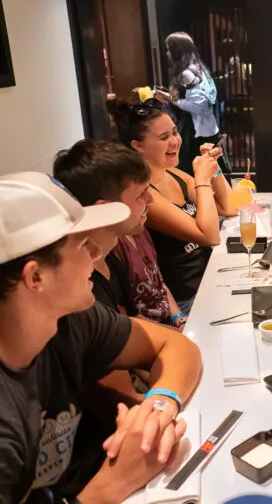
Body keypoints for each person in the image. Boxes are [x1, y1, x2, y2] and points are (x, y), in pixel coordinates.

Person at [0, 171, 202, 503]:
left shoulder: (69, 318)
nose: (97, 252)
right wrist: (114, 484)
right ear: (35, 276)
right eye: (82, 244)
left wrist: (157, 408)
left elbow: (177, 346)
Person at [108, 99, 235, 314]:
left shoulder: (176, 175)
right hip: (186, 298)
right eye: (164, 137)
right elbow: (209, 236)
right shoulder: (145, 195)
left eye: (175, 133)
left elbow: (229, 207)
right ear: (137, 145)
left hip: (211, 276)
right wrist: (202, 179)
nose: (175, 141)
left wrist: (214, 170)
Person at [53, 139, 187, 328]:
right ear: (105, 209)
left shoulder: (108, 254)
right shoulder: (83, 282)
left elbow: (131, 321)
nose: (151, 201)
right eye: (141, 195)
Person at [160, 31, 231, 175]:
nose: (167, 53)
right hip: (206, 127)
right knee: (211, 169)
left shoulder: (187, 73)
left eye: (169, 49)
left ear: (177, 51)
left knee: (195, 171)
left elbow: (198, 106)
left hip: (195, 131)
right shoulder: (199, 67)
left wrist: (172, 99)